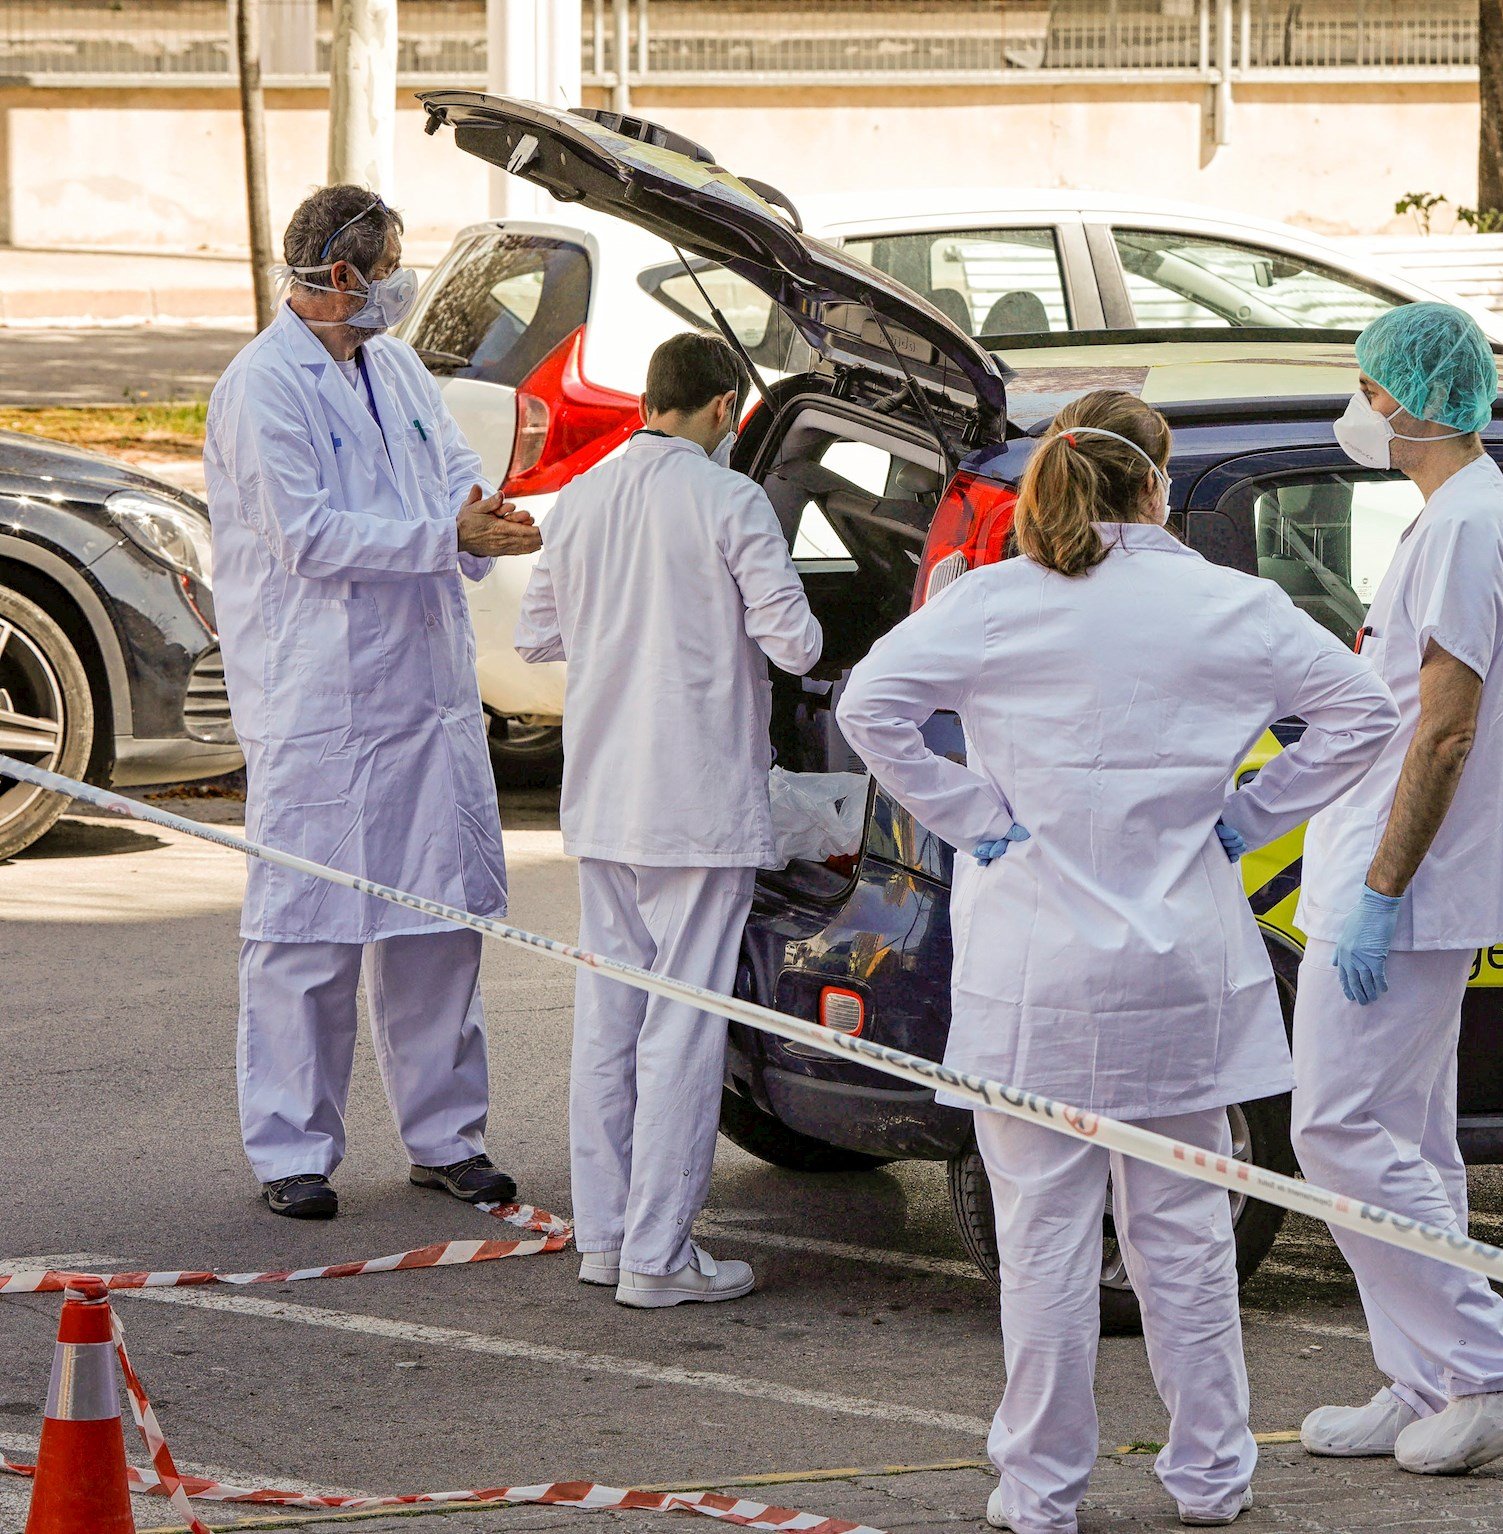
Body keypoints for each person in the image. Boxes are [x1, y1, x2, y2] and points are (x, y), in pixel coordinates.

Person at [836, 391, 1396, 1534]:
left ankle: (1039, 1492)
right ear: (1158, 484)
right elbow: (1363, 712)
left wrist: (968, 811)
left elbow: (868, 701)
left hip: (1031, 976)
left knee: (1039, 1241)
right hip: (1182, 974)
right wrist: (1248, 818)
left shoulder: (990, 602)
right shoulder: (1229, 603)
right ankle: (1210, 1478)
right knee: (1184, 1240)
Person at [206, 185, 539, 1220]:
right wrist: (446, 538)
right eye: (391, 264)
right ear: (343, 274)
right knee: (308, 931)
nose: (401, 280)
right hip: (323, 704)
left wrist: (473, 514)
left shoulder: (392, 366)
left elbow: (451, 470)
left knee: (435, 921)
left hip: (424, 695)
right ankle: (292, 1150)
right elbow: (306, 535)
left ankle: (446, 1137)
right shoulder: (262, 387)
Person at [1288, 302, 1503, 1474]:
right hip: (1395, 878)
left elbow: (1445, 731)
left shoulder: (1465, 523)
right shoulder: (1455, 517)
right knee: (1408, 1138)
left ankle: (1497, 1369)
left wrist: (1381, 889)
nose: (1356, 402)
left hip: (1404, 887)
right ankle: (1424, 1378)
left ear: (1410, 402)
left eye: (1367, 383)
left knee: (1337, 1130)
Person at [514, 333, 821, 1309]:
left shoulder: (586, 496)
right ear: (724, 407)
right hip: (699, 807)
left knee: (610, 1019)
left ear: (651, 400)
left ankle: (604, 1238)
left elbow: (535, 635)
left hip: (603, 799)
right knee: (684, 1025)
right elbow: (798, 643)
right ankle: (659, 1254)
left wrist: (624, 620)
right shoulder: (730, 499)